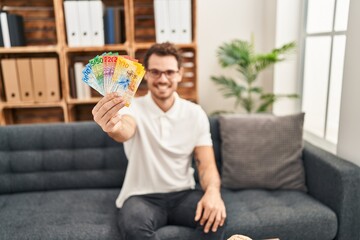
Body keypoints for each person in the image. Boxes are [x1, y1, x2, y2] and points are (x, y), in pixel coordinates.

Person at [92, 42, 226, 240]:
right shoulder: (132, 108)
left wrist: (213, 193)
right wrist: (113, 126)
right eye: (155, 72)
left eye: (169, 72)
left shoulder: (195, 113)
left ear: (179, 74)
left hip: (183, 194)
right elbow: (124, 129)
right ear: (145, 74)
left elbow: (206, 165)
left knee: (215, 219)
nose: (162, 79)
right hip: (141, 197)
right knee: (134, 228)